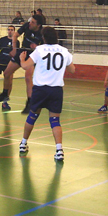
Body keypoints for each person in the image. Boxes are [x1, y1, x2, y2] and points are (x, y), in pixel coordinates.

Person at [18, 27, 75, 162]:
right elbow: (72, 70)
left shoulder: (40, 50)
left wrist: (21, 59)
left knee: (32, 116)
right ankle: (59, 150)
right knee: (55, 120)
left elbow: (26, 66)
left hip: (40, 89)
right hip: (56, 90)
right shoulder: (64, 51)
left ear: (44, 38)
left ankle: (23, 144)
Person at [0, 14, 44, 114]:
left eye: (33, 22)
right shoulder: (27, 26)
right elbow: (15, 35)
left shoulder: (42, 32)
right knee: (7, 73)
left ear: (38, 25)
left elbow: (46, 47)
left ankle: (29, 103)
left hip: (33, 55)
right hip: (22, 51)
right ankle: (5, 94)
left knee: (28, 78)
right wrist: (14, 49)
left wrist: (37, 47)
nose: (30, 23)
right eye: (31, 21)